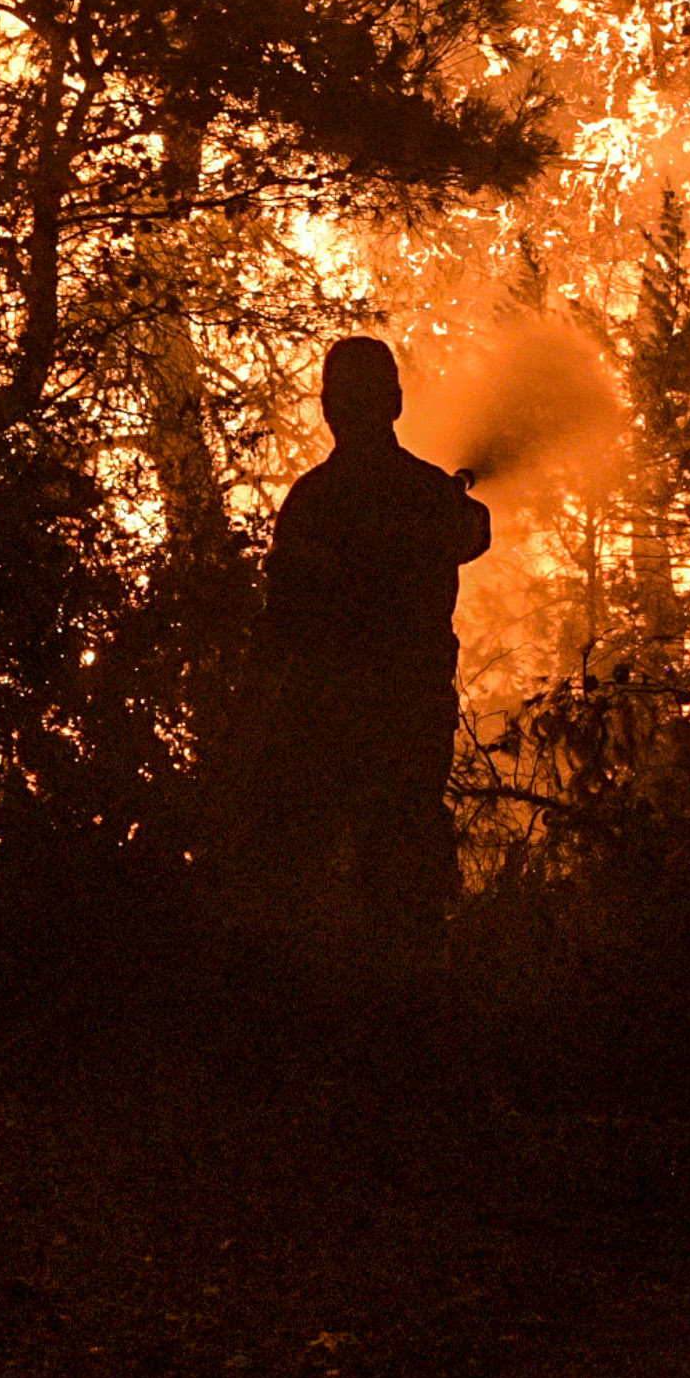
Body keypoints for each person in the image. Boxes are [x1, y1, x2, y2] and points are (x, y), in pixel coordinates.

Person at [246, 334, 495, 947]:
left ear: (329, 407)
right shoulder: (425, 494)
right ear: (396, 403)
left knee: (307, 887)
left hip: (324, 719)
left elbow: (279, 624)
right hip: (406, 720)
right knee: (403, 883)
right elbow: (472, 533)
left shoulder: (311, 501)